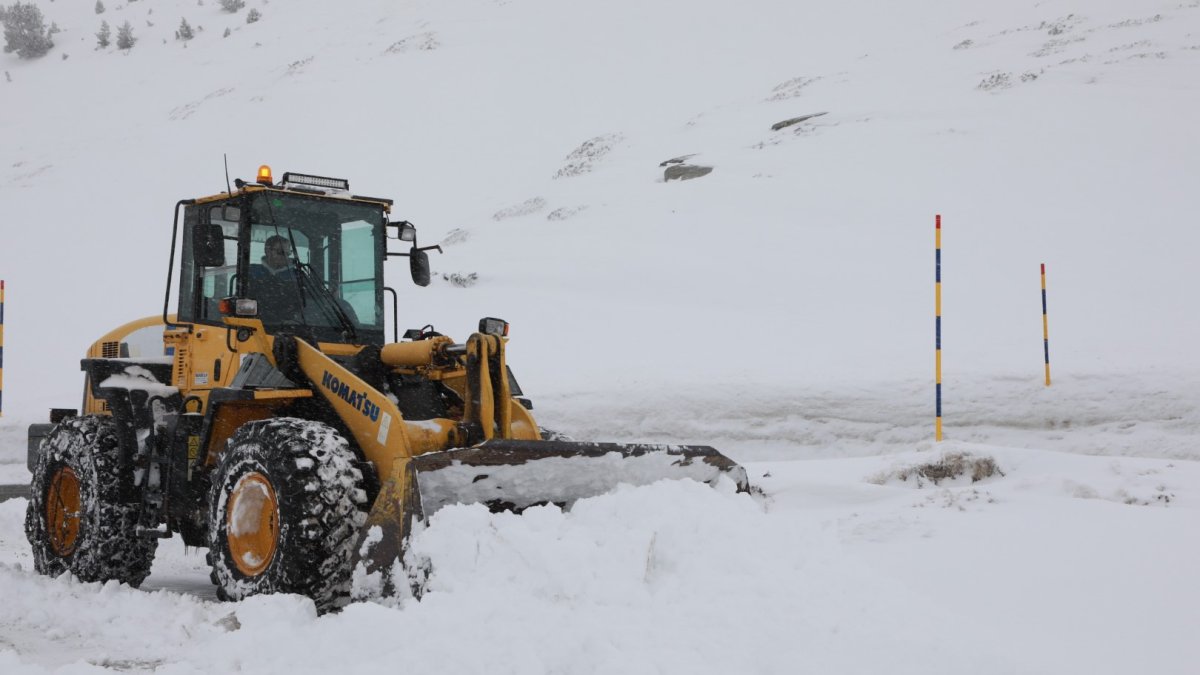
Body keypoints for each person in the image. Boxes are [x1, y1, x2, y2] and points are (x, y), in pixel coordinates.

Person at [248, 235, 303, 324]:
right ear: (268, 251)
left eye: (288, 253)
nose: (286, 256)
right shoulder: (252, 271)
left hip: (292, 326)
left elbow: (306, 305)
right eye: (281, 252)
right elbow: (243, 300)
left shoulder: (298, 276)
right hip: (256, 325)